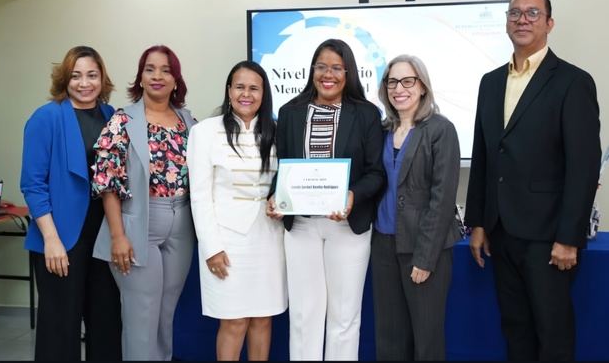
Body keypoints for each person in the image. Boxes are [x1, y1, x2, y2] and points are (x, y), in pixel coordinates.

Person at [465, 0, 601, 360]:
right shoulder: (490, 82)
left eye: (532, 13)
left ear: (549, 24)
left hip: (549, 237)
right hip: (500, 232)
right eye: (515, 13)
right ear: (506, 22)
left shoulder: (573, 81)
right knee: (516, 329)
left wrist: (569, 237)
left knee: (553, 331)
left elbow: (584, 165)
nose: (522, 20)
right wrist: (477, 222)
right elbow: (484, 156)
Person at [266, 38, 385, 360]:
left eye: (336, 67)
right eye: (321, 67)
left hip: (348, 227)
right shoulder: (290, 113)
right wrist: (275, 197)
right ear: (312, 70)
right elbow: (283, 168)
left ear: (348, 72)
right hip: (301, 227)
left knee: (344, 316)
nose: (327, 74)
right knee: (304, 315)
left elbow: (376, 173)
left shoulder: (367, 114)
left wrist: (352, 195)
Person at [91, 45, 197, 360]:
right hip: (138, 224)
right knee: (141, 317)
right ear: (140, 76)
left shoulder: (188, 121)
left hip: (182, 223)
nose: (157, 76)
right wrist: (118, 235)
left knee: (166, 316)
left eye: (166, 70)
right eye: (150, 69)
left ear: (176, 79)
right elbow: (108, 182)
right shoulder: (123, 120)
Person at [20, 45, 122, 360]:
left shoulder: (111, 115)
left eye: (92, 75)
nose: (84, 83)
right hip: (60, 235)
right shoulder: (45, 117)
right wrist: (51, 239)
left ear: (102, 78)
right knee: (60, 326)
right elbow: (33, 185)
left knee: (106, 321)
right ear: (65, 79)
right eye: (76, 76)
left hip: (102, 233)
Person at [187, 60, 287, 360]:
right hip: (226, 243)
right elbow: (200, 196)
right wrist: (211, 247)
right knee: (233, 321)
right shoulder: (204, 132)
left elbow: (283, 183)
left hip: (270, 240)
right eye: (240, 86)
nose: (247, 94)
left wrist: (281, 202)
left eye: (254, 88)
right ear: (229, 90)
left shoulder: (277, 131)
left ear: (264, 93)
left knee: (263, 319)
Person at [371, 54, 461, 360]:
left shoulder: (440, 129)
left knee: (426, 338)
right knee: (389, 337)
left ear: (422, 86)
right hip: (383, 243)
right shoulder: (381, 130)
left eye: (408, 81)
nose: (399, 88)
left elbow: (443, 199)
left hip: (423, 248)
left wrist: (425, 258)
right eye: (392, 81)